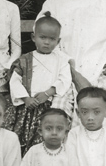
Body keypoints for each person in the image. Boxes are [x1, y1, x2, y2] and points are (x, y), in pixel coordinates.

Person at [8, 12, 78, 150]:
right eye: (42, 37)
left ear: (58, 41)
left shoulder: (61, 60)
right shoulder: (25, 59)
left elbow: (64, 79)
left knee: (42, 139)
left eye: (52, 39)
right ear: (34, 37)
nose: (46, 42)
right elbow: (15, 81)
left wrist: (47, 93)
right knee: (22, 137)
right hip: (28, 105)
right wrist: (26, 98)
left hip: (47, 105)